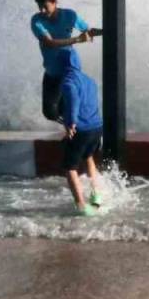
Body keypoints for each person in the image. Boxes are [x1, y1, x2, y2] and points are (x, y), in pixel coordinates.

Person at [30, 0, 101, 123]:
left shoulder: (70, 15)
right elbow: (49, 43)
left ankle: (81, 129)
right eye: (40, 7)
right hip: (51, 72)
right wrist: (77, 39)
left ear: (55, 2)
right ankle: (74, 128)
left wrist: (108, 31)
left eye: (46, 6)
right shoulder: (36, 20)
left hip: (69, 69)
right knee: (50, 113)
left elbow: (88, 31)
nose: (43, 11)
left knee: (69, 107)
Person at [55, 48, 105, 215]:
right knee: (88, 157)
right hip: (96, 126)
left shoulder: (68, 81)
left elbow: (74, 101)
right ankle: (96, 196)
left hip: (81, 129)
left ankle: (82, 205)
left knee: (70, 167)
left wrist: (71, 123)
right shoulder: (89, 80)